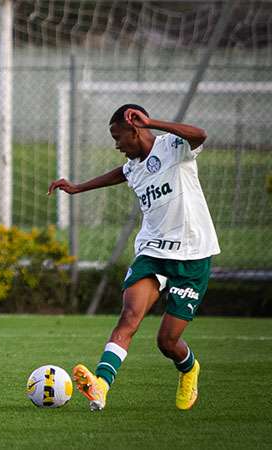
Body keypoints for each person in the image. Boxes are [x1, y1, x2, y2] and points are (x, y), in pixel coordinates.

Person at [48, 104, 219, 411]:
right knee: (129, 317)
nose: (116, 145)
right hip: (152, 252)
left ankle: (189, 368)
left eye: (118, 137)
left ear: (135, 130)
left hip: (192, 254)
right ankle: (100, 386)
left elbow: (200, 134)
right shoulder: (133, 166)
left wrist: (154, 121)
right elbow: (121, 174)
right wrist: (78, 188)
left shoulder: (173, 147)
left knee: (167, 342)